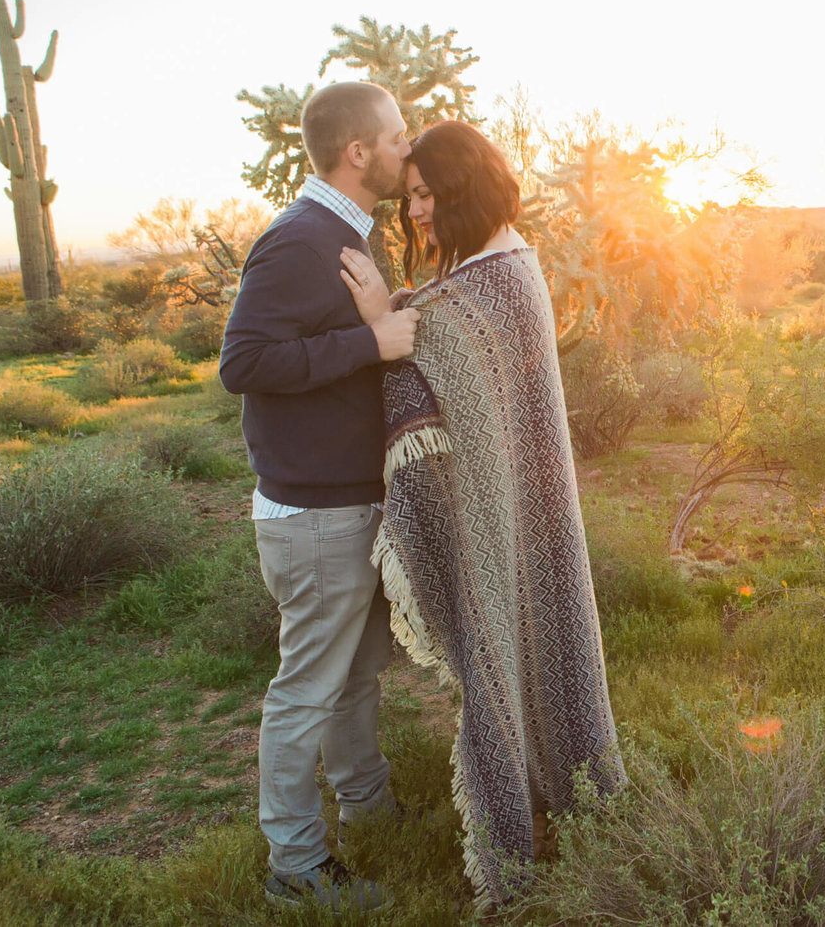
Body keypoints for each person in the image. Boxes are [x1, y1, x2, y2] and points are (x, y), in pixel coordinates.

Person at [340, 120, 625, 911]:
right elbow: (430, 331)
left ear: (463, 187)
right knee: (520, 644)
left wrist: (378, 315)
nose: (417, 213)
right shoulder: (490, 265)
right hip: (505, 502)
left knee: (524, 639)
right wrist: (397, 311)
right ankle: (545, 804)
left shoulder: (496, 275)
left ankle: (538, 815)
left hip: (514, 502)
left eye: (429, 194)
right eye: (411, 197)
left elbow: (418, 341)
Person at [219, 80, 419, 915]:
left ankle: (368, 807)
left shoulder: (346, 232)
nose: (410, 147)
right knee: (308, 688)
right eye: (399, 135)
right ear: (359, 151)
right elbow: (244, 362)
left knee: (353, 677)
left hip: (348, 505)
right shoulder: (300, 240)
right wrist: (368, 342)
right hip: (313, 516)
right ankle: (295, 865)